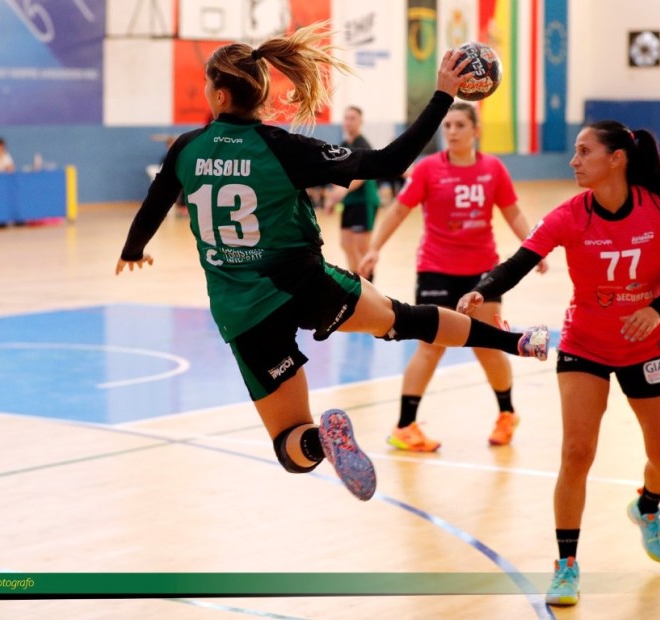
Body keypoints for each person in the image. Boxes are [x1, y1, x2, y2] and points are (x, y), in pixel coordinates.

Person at [116, 23, 548, 503]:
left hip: (243, 312)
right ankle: (516, 341)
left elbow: (154, 204)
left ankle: (322, 438)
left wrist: (133, 250)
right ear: (259, 94)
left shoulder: (185, 150)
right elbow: (388, 162)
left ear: (219, 95)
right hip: (303, 282)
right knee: (405, 319)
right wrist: (442, 95)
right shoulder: (282, 148)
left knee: (289, 444)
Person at [458, 121, 660, 606]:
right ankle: (566, 564)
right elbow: (519, 262)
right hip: (584, 344)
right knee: (576, 452)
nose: (574, 161)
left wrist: (656, 308)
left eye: (584, 152)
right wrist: (484, 288)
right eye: (574, 152)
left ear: (617, 159)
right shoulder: (570, 215)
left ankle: (647, 508)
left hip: (647, 345)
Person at [359, 102, 548, 451]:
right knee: (430, 348)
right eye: (447, 126)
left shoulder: (493, 169)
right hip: (435, 268)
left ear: (476, 130)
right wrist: (375, 248)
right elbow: (399, 210)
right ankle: (404, 426)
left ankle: (507, 414)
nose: (451, 132)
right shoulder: (430, 169)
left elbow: (513, 212)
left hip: (482, 274)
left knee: (489, 348)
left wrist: (532, 249)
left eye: (460, 125)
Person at [324, 106, 382, 278]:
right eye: (346, 118)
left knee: (361, 247)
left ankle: (371, 288)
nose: (348, 122)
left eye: (353, 118)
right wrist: (331, 200)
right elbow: (338, 175)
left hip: (364, 201)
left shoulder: (363, 145)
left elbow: (363, 174)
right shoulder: (343, 146)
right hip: (349, 203)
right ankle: (358, 284)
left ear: (360, 122)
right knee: (346, 244)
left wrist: (343, 190)